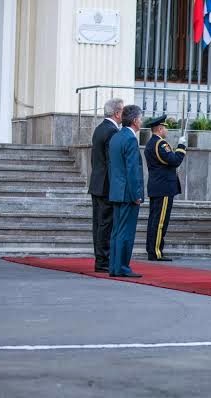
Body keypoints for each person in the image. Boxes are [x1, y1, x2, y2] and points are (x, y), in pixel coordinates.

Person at [108, 104, 145, 278]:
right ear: (135, 120)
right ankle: (122, 266)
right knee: (126, 232)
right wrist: (136, 194)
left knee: (117, 231)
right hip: (127, 193)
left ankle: (114, 266)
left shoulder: (116, 137)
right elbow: (132, 170)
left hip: (116, 191)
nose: (142, 121)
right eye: (141, 118)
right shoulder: (130, 139)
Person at [144, 115, 187, 261]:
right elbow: (174, 161)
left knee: (154, 220)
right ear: (160, 129)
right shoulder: (160, 144)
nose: (167, 130)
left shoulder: (152, 143)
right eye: (165, 127)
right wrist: (181, 147)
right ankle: (156, 251)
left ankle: (152, 249)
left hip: (157, 186)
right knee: (160, 221)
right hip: (163, 188)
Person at [88, 98, 122, 272]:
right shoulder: (112, 131)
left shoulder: (100, 128)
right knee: (105, 224)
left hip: (97, 183)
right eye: (122, 111)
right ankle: (103, 261)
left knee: (99, 223)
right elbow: (111, 162)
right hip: (106, 185)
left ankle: (100, 259)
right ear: (117, 113)